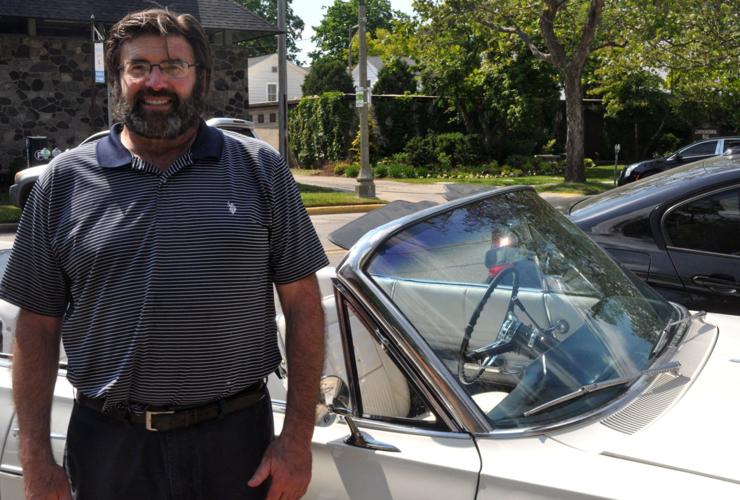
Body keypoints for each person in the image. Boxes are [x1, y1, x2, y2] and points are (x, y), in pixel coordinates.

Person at [1, 8, 328, 500]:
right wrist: (35, 459)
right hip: (109, 447)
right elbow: (37, 325)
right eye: (139, 67)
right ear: (118, 78)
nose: (156, 81)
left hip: (235, 445)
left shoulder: (261, 170)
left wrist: (297, 441)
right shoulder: (64, 182)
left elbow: (303, 306)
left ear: (202, 78)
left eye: (174, 66)